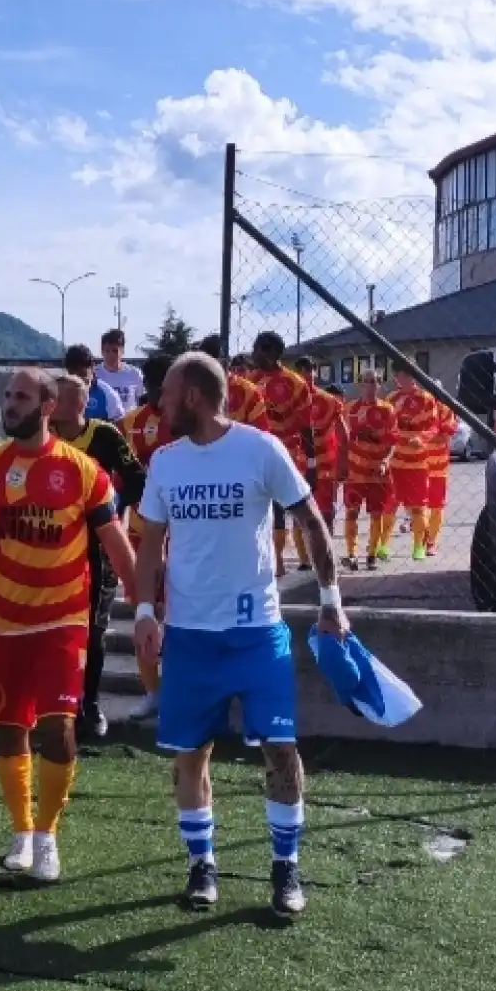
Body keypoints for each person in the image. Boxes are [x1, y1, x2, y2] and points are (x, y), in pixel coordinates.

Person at [132, 352, 348, 913]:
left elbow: (311, 521)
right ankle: (202, 867)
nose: (160, 404)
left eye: (169, 394)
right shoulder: (165, 462)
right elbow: (151, 545)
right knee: (190, 756)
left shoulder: (260, 448)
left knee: (281, 749)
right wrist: (145, 614)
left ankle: (286, 871)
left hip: (256, 633)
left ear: (195, 399)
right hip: (190, 636)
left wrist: (331, 602)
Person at [0, 369, 136, 883]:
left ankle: (47, 835)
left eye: (21, 397)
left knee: (58, 728)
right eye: (7, 396)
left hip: (63, 619)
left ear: (48, 406)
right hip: (3, 620)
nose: (10, 404)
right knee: (8, 730)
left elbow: (114, 541)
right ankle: (21, 831)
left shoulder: (84, 469)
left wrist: (148, 608)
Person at [51, 371, 146, 742]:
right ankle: (56, 705)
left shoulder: (104, 435)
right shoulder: (42, 437)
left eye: (56, 398)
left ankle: (88, 705)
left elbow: (136, 478)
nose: (50, 404)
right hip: (49, 550)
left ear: (78, 403)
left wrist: (109, 508)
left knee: (93, 631)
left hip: (94, 548)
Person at [118, 353, 177, 722]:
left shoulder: (190, 424)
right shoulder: (128, 424)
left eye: (167, 386)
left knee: (180, 615)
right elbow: (119, 484)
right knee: (147, 614)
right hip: (142, 536)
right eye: (156, 386)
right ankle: (151, 692)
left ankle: (177, 689)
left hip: (188, 537)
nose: (162, 394)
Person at [248, 334, 315, 573]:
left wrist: (312, 462)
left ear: (269, 353)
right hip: (253, 457)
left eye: (256, 349)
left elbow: (306, 427)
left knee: (280, 510)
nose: (252, 354)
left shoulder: (295, 384)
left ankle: (279, 561)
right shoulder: (250, 380)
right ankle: (269, 560)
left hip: (285, 456)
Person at [293, 357, 347, 572]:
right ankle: (304, 560)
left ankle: (327, 552)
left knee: (326, 512)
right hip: (299, 465)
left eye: (311, 369)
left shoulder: (329, 400)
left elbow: (344, 435)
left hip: (325, 466)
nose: (307, 373)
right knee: (298, 512)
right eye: (303, 369)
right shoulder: (290, 401)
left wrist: (344, 463)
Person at [342, 371, 399, 571]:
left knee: (377, 515)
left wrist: (385, 460)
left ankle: (372, 555)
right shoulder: (349, 409)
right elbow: (342, 440)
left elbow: (393, 441)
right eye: (366, 382)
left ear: (380, 385)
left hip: (378, 473)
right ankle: (352, 554)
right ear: (360, 385)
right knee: (351, 514)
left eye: (374, 381)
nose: (370, 385)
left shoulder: (388, 410)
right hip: (355, 473)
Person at [387, 367, 437, 562]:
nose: (403, 378)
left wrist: (421, 438)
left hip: (418, 462)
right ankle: (383, 545)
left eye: (407, 374)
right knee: (389, 506)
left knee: (417, 507)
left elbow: (433, 426)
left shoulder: (426, 398)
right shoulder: (391, 398)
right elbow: (386, 426)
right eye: (399, 374)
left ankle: (419, 547)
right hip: (395, 461)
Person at [423, 397, 459, 557]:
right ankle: (423, 540)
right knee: (418, 506)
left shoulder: (445, 409)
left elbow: (445, 436)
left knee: (436, 506)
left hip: (438, 467)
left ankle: (431, 542)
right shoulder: (418, 407)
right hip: (417, 465)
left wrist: (419, 438)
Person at [64, 344, 126, 421]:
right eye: (73, 378)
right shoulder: (60, 394)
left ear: (93, 367)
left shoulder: (108, 395)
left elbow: (119, 425)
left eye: (83, 377)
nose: (78, 383)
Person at [95, 328, 145, 405]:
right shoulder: (95, 374)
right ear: (102, 352)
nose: (111, 355)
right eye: (107, 351)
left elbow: (142, 402)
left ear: (122, 351)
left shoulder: (134, 373)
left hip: (128, 417)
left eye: (115, 351)